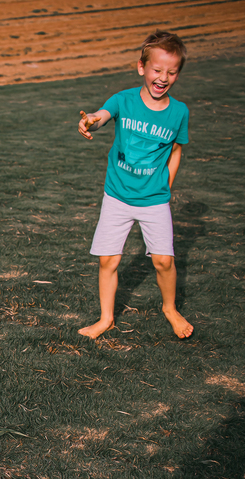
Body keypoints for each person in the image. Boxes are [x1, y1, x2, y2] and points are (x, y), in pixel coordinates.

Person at [77, 30, 194, 340]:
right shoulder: (123, 100)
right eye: (157, 70)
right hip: (117, 196)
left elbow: (176, 151)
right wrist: (90, 120)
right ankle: (106, 319)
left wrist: (166, 185)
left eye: (171, 72)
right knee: (108, 260)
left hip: (154, 199)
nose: (163, 77)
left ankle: (169, 309)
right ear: (142, 67)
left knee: (164, 261)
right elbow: (102, 116)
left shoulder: (179, 112)